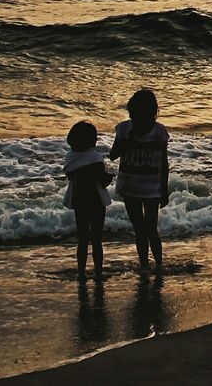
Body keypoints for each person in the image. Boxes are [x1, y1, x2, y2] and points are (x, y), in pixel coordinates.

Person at [109, 89, 170, 273]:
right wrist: (127, 141)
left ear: (151, 114)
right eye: (133, 115)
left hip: (151, 187)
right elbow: (113, 155)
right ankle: (144, 264)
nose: (135, 119)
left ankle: (159, 265)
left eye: (139, 115)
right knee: (139, 228)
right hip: (130, 186)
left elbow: (164, 163)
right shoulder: (124, 129)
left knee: (151, 228)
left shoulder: (159, 132)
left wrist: (164, 189)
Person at [64, 120, 113, 281]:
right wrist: (109, 176)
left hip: (80, 200)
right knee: (97, 239)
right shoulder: (96, 158)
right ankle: (98, 272)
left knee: (83, 239)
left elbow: (70, 174)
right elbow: (103, 181)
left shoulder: (70, 158)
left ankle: (81, 272)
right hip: (95, 200)